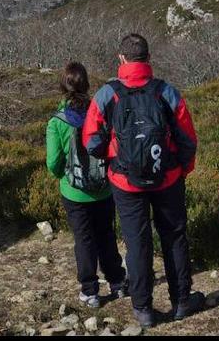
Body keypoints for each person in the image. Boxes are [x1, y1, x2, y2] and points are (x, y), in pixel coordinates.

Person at [82, 34, 204, 328]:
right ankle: (181, 301)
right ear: (149, 58)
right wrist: (183, 168)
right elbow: (188, 137)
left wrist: (113, 155)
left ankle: (144, 308)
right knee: (174, 236)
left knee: (137, 243)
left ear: (121, 59)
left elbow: (90, 140)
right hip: (168, 177)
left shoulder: (106, 94)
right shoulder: (166, 92)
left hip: (126, 183)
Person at [47, 63, 127, 309]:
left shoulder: (57, 122)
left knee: (84, 239)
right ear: (87, 86)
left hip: (74, 192)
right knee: (106, 234)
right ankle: (116, 282)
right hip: (104, 188)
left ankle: (90, 291)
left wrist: (66, 176)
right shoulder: (99, 112)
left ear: (63, 87)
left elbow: (53, 163)